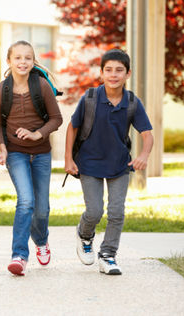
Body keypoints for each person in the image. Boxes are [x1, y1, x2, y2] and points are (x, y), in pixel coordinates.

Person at [65, 48, 154, 275]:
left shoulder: (132, 102)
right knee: (94, 211)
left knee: (117, 212)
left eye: (119, 70)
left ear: (128, 74)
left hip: (119, 165)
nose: (113, 75)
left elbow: (147, 134)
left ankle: (108, 255)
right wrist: (68, 159)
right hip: (89, 163)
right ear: (101, 73)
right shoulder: (91, 98)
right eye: (109, 70)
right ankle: (85, 235)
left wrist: (143, 156)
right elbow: (72, 127)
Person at [0, 41, 63, 276]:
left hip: (41, 153)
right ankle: (19, 255)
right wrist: (2, 149)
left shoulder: (41, 86)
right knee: (26, 201)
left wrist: (37, 134)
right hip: (16, 153)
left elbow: (56, 119)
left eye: (28, 58)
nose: (23, 62)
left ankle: (41, 241)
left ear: (33, 61)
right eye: (18, 58)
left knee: (41, 209)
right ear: (9, 61)